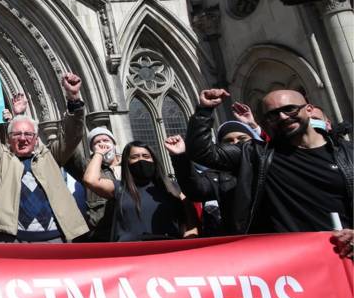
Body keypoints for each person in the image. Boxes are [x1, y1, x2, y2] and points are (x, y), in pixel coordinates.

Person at [185, 88, 353, 249]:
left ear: (309, 109)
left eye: (290, 109)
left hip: (343, 257)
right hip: (292, 265)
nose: (283, 117)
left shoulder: (349, 154)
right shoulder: (257, 155)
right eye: (272, 115)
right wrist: (204, 110)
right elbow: (202, 152)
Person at [0, 71, 90, 243]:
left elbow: (72, 135)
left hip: (54, 239)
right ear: (8, 138)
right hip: (14, 241)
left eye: (28, 134)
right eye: (17, 134)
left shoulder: (51, 156)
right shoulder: (1, 160)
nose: (23, 138)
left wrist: (73, 99)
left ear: (36, 138)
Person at [83, 140, 194, 241]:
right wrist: (99, 154)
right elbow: (90, 180)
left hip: (168, 250)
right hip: (131, 252)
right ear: (126, 162)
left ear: (154, 160)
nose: (141, 160)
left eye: (146, 156)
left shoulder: (172, 187)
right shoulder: (119, 188)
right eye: (135, 157)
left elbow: (191, 221)